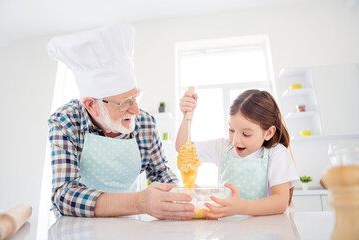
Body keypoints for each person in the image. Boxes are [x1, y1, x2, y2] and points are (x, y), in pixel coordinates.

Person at [47, 22, 194, 220]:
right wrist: (140, 202)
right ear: (91, 105)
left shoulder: (145, 123)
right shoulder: (66, 122)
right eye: (125, 103)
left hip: (130, 221)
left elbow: (160, 173)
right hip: (77, 225)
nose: (135, 110)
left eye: (135, 98)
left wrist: (183, 196)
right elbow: (63, 194)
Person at [176, 89, 299, 218]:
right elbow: (183, 148)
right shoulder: (224, 147)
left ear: (268, 133)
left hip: (262, 231)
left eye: (246, 134)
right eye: (231, 130)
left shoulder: (276, 153)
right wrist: (186, 116)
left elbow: (280, 203)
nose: (235, 140)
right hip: (227, 230)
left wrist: (241, 207)